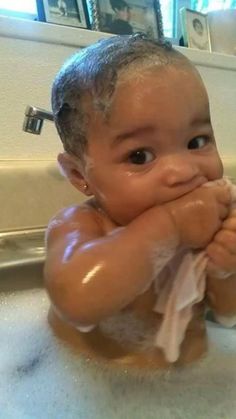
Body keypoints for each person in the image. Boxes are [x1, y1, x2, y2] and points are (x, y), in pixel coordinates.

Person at [45, 34, 236, 369]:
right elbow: (77, 300)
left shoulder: (207, 225)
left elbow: (228, 314)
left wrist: (224, 269)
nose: (183, 171)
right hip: (97, 389)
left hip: (189, 388)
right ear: (79, 175)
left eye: (197, 141)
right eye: (140, 155)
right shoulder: (82, 225)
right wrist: (171, 227)